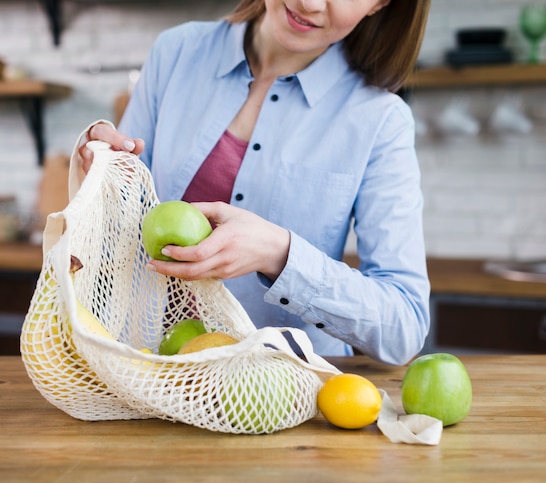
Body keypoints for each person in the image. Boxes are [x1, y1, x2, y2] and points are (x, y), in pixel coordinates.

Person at [77, 0, 432, 365]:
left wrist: (279, 254)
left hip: (282, 395)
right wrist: (101, 170)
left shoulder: (380, 120)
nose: (308, 4)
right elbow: (116, 232)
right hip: (144, 372)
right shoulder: (176, 53)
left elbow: (404, 326)